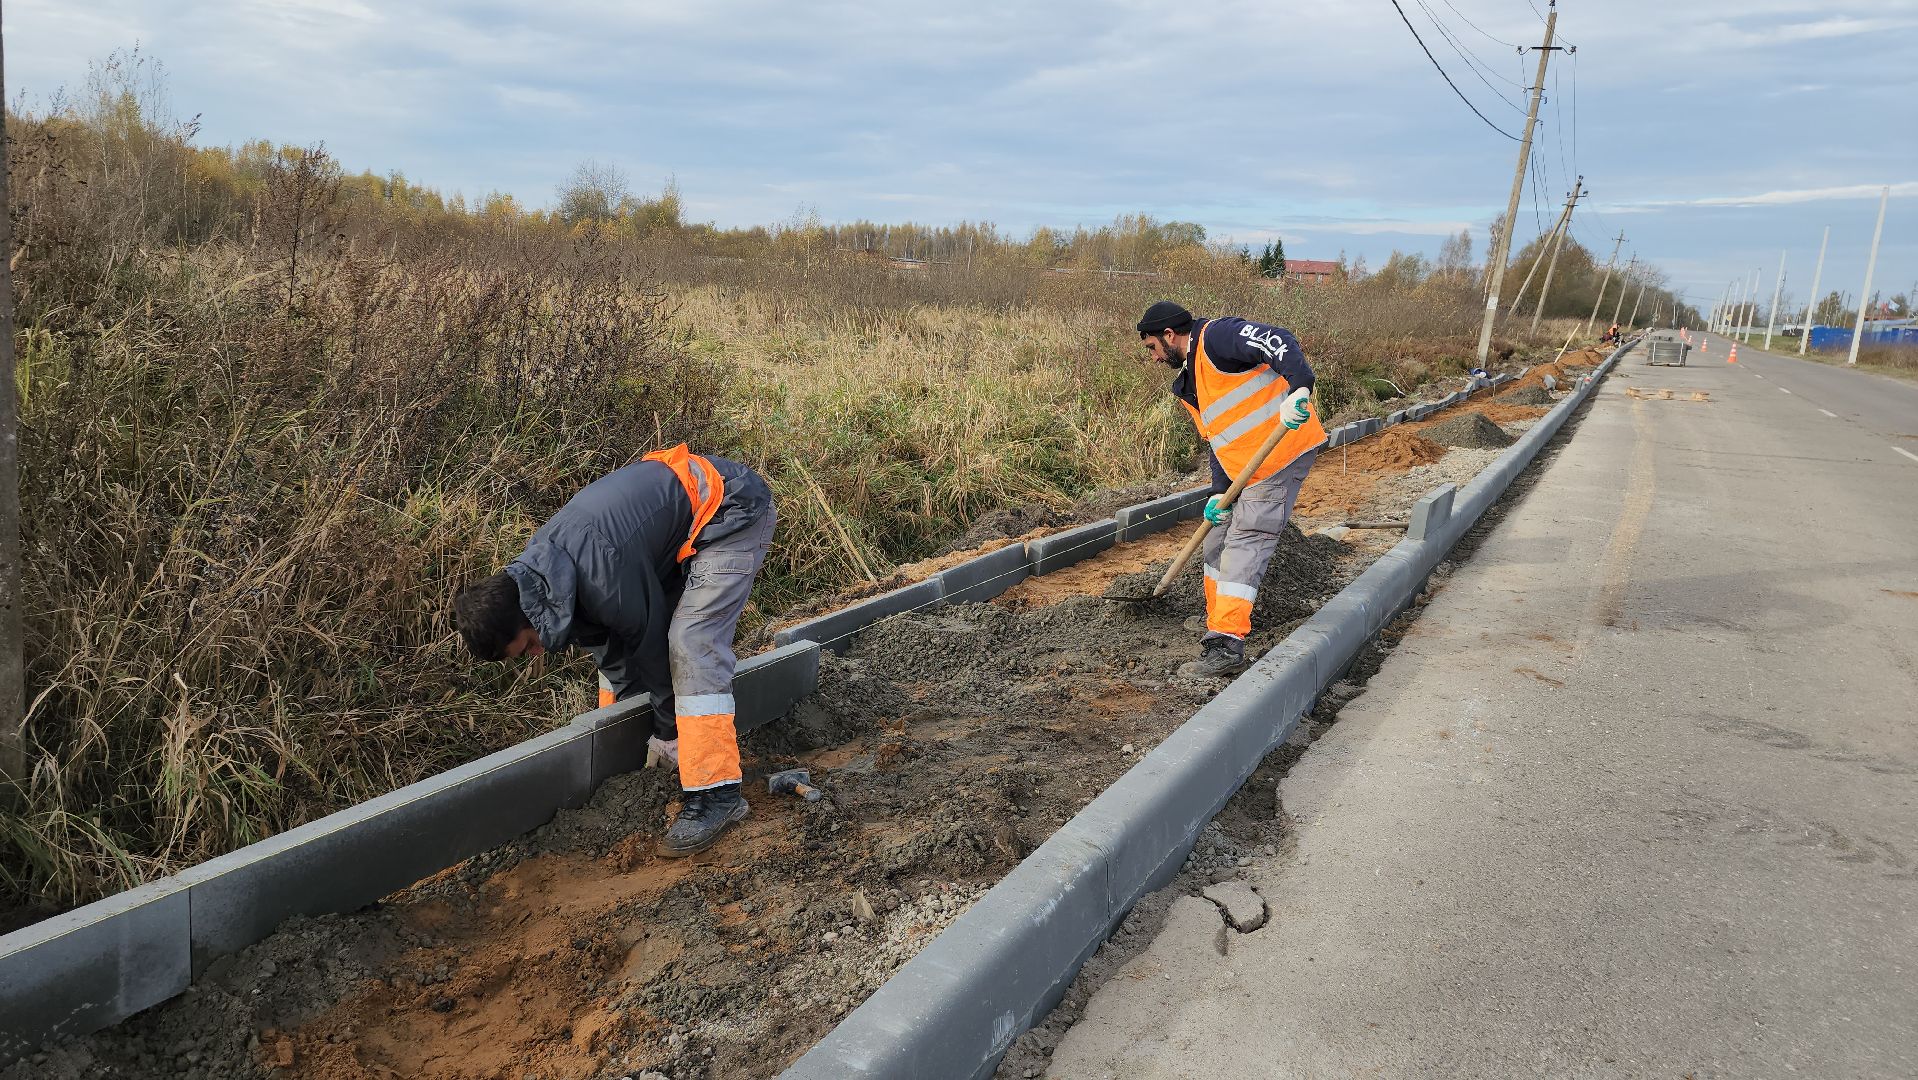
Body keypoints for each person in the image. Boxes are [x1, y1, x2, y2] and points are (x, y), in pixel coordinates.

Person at [453, 445, 775, 856]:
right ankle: (641, 755)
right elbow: (612, 651)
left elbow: (651, 646)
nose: (535, 654)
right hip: (673, 527)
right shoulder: (547, 578)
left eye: (529, 644)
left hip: (730, 510)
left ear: (529, 616)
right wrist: (632, 727)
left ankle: (716, 793)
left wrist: (669, 733)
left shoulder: (599, 574)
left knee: (691, 643)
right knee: (617, 667)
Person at [1137, 301, 1326, 678]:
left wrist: (1299, 390)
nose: (1154, 358)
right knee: (1216, 540)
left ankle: (1226, 643)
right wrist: (1218, 493)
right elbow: (1219, 440)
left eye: (1152, 348)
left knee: (1247, 536)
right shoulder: (1190, 383)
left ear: (1169, 335)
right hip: (1242, 468)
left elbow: (1278, 340)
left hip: (1281, 453)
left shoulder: (1218, 339)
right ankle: (1216, 619)